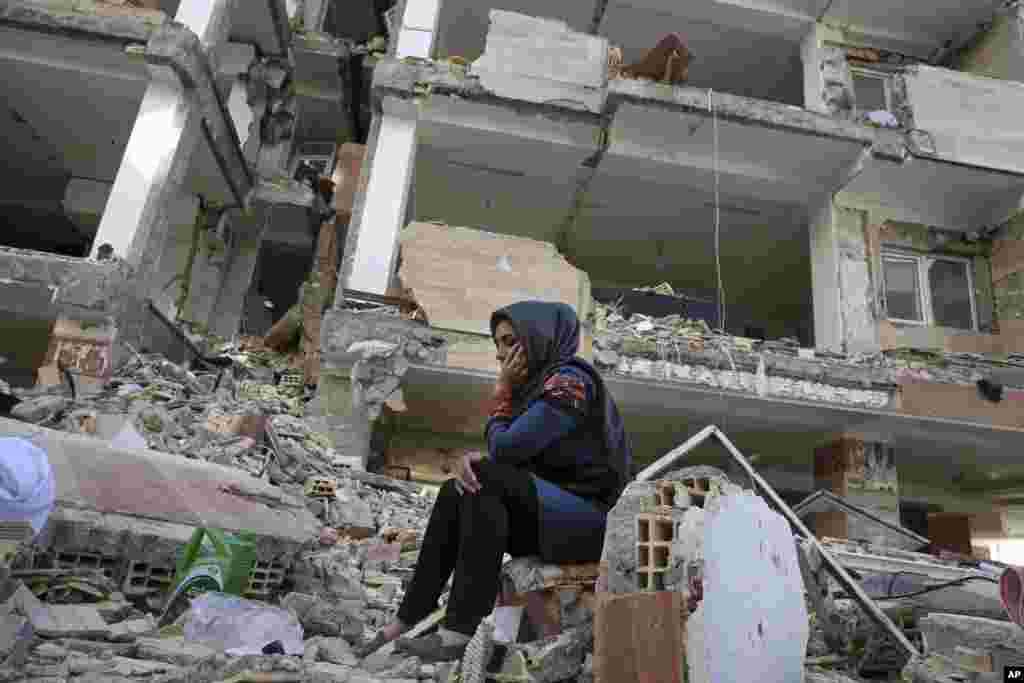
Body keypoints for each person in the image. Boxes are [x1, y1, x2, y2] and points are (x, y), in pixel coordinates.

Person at [357, 301, 632, 662]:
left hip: (593, 525)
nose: (502, 354)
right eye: (498, 345)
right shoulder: (536, 390)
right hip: (553, 517)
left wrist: (500, 393)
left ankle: (459, 628)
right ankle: (407, 618)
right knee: (457, 487)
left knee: (483, 477)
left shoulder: (570, 383)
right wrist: (483, 459)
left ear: (538, 338)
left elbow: (507, 448)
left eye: (510, 342)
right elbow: (510, 457)